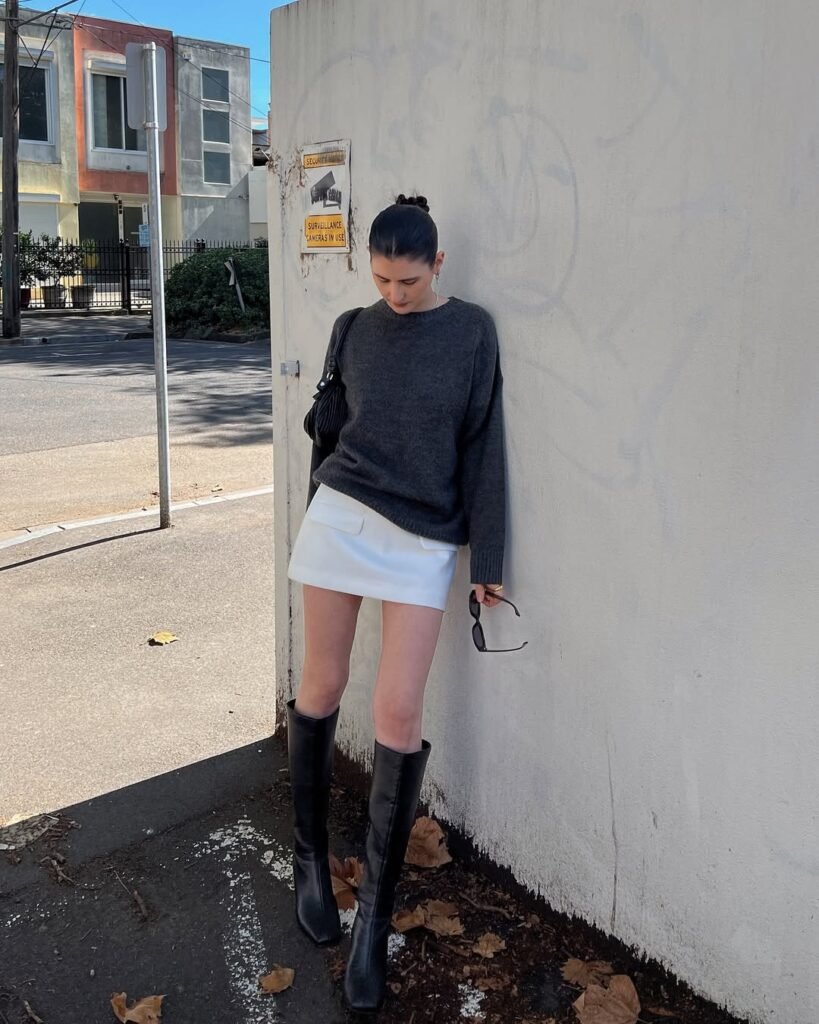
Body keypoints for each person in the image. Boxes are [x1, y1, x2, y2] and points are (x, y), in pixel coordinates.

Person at [285, 193, 508, 1013]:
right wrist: (319, 508)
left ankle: (374, 918)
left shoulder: (471, 331)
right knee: (321, 684)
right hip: (341, 515)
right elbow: (331, 430)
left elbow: (483, 445)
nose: (393, 294)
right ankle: (309, 862)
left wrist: (488, 557)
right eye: (380, 279)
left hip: (423, 534)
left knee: (397, 710)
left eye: (407, 280)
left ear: (436, 264)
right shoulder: (352, 326)